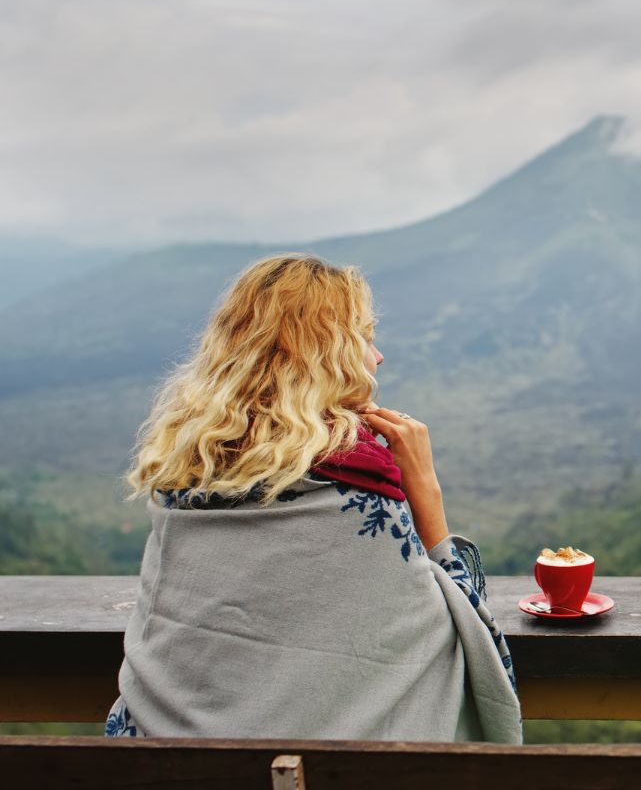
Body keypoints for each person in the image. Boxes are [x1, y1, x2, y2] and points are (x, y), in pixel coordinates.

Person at [103, 253, 521, 743]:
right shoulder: (357, 485)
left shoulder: (186, 469)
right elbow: (462, 632)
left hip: (157, 768)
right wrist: (424, 488)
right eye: (365, 337)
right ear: (330, 353)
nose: (378, 355)